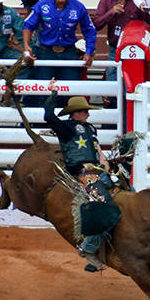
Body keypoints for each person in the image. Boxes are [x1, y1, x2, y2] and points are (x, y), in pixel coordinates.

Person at [42, 90, 111, 269]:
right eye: (85, 111)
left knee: (128, 191)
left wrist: (107, 166)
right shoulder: (67, 128)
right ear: (76, 113)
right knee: (104, 207)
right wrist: (54, 93)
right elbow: (49, 116)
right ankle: (89, 247)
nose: (88, 114)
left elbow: (98, 151)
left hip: (98, 171)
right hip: (83, 173)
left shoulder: (90, 128)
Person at [22, 0, 95, 82]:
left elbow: (90, 30)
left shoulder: (78, 7)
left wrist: (89, 51)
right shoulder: (42, 5)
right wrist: (27, 46)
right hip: (46, 52)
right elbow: (28, 25)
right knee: (43, 89)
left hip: (69, 52)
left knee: (71, 88)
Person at [93, 0, 150, 76]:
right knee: (112, 79)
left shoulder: (137, 0)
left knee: (132, 79)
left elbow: (148, 25)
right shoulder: (106, 0)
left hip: (134, 50)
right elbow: (96, 24)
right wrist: (110, 13)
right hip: (114, 48)